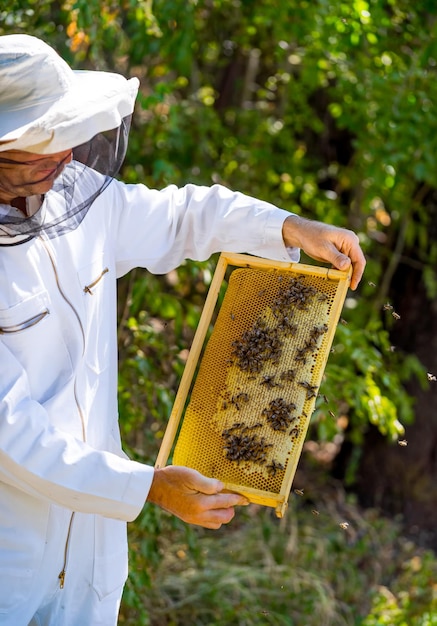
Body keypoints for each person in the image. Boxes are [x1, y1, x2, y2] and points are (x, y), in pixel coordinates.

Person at [0, 34, 366, 626]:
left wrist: (289, 227)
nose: (66, 156)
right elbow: (12, 436)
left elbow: (181, 215)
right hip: (8, 556)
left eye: (66, 137)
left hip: (91, 554)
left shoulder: (77, 197)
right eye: (44, 144)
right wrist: (148, 486)